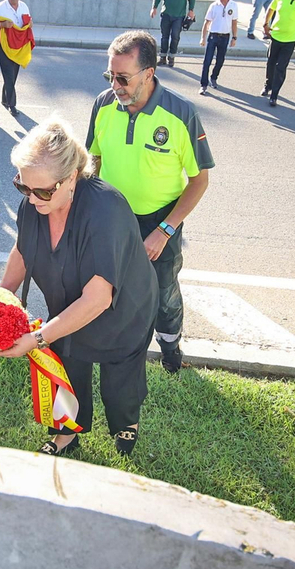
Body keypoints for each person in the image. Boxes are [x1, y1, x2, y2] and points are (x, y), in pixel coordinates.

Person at [0, 118, 159, 456]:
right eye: (22, 186)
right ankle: (67, 433)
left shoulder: (105, 211)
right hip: (69, 304)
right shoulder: (34, 202)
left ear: (71, 177)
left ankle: (126, 423)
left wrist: (37, 339)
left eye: (42, 190)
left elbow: (99, 298)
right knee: (67, 370)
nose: (32, 198)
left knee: (120, 382)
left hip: (121, 311)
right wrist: (0, 297)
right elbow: (23, 248)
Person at [87, 31, 213, 373]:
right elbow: (93, 160)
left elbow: (200, 181)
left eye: (124, 78)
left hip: (161, 220)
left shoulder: (181, 114)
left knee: (164, 291)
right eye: (110, 76)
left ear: (149, 74)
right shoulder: (103, 104)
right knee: (109, 285)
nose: (116, 85)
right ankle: (117, 351)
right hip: (111, 216)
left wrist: (165, 230)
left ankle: (171, 353)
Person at [0, 0, 31, 117]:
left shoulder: (24, 6)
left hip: (17, 48)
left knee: (12, 75)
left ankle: (4, 99)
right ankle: (12, 105)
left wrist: (29, 24)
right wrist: (2, 25)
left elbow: (28, 22)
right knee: (9, 75)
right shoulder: (0, 8)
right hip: (3, 46)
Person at [150, 0, 196, 68]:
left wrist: (191, 10)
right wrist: (154, 7)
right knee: (164, 36)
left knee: (175, 36)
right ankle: (162, 57)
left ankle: (171, 57)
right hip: (166, 13)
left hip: (179, 16)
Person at [198, 0, 238, 94]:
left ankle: (214, 77)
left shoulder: (233, 6)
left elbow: (234, 22)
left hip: (225, 36)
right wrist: (203, 38)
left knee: (220, 60)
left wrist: (234, 38)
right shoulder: (214, 5)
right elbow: (206, 23)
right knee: (207, 61)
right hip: (213, 35)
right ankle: (203, 84)